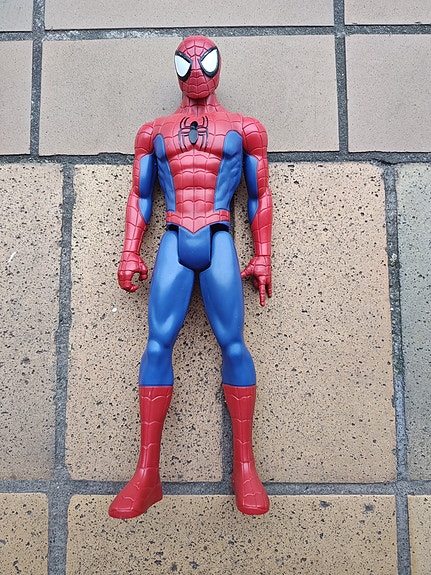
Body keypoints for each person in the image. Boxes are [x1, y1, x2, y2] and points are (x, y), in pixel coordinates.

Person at [109, 35, 272, 519]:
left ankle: (245, 468)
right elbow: (141, 196)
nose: (197, 72)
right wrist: (129, 251)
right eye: (187, 64)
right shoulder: (153, 132)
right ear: (177, 69)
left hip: (218, 235)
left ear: (218, 67)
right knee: (157, 343)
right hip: (176, 235)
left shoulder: (245, 128)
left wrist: (263, 255)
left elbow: (259, 195)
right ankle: (146, 474)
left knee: (234, 343)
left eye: (206, 62)